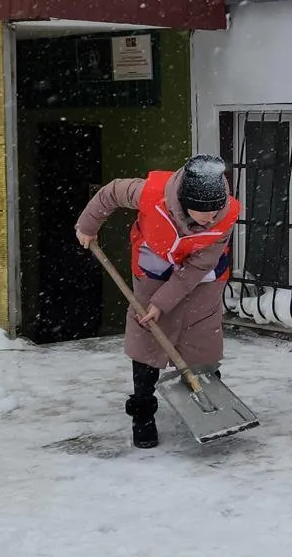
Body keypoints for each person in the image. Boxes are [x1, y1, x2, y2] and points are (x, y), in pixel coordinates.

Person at [74, 155, 241, 449]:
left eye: (216, 210)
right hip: (154, 267)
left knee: (202, 341)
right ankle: (143, 413)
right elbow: (111, 192)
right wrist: (88, 226)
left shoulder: (226, 214)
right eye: (204, 212)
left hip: (202, 278)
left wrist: (163, 301)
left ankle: (207, 400)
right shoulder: (151, 194)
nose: (211, 218)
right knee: (148, 340)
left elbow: (198, 266)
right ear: (185, 201)